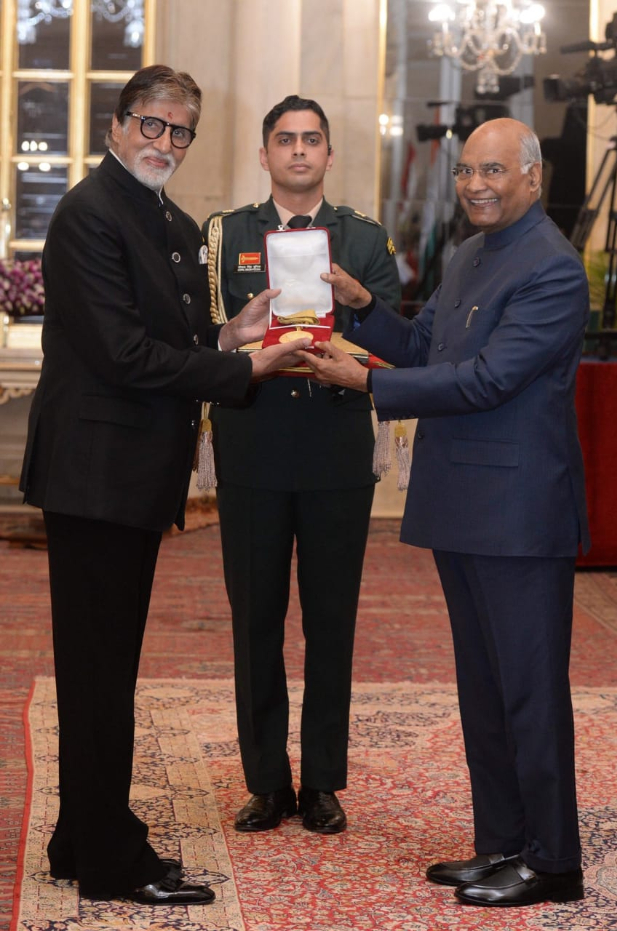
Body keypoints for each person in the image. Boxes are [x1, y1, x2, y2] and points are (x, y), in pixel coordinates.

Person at [19, 65, 308, 907]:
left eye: (180, 131)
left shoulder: (171, 222)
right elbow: (124, 355)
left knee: (107, 667)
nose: (165, 143)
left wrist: (231, 331)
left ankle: (81, 835)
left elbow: (167, 340)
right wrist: (238, 364)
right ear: (118, 124)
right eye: (152, 125)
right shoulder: (87, 215)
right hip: (94, 476)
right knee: (98, 671)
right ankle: (108, 857)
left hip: (136, 477)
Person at [298, 118, 589, 907]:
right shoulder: (468, 253)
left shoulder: (554, 271)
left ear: (533, 178)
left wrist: (364, 385)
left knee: (528, 691)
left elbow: (487, 380)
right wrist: (359, 311)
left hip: (521, 513)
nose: (476, 185)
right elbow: (427, 348)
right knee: (483, 689)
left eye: (493, 171)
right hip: (465, 502)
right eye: (465, 172)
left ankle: (554, 860)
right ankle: (502, 843)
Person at [202, 95, 400, 835]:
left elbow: (390, 328)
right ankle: (265, 782)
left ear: (327, 153)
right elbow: (207, 332)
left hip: (333, 448)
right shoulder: (226, 237)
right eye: (284, 139)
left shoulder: (364, 237)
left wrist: (354, 295)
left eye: (311, 139)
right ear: (264, 155)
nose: (298, 151)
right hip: (252, 444)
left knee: (331, 623)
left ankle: (321, 780)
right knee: (254, 621)